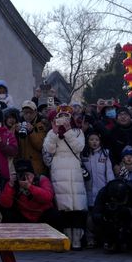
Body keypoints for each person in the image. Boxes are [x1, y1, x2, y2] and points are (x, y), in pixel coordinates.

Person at [42, 106, 87, 249]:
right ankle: (66, 238)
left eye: (66, 116)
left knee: (77, 204)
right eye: (60, 116)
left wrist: (68, 131)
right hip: (59, 168)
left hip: (74, 169)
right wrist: (55, 133)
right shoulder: (51, 132)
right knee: (64, 205)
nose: (63, 119)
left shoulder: (78, 132)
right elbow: (49, 149)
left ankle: (77, 239)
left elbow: (79, 148)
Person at [91, 179, 132, 256]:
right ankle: (111, 242)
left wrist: (128, 211)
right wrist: (104, 216)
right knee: (91, 222)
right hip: (113, 220)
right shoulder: (103, 192)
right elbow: (95, 213)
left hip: (131, 220)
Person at [81, 129, 114, 248]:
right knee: (89, 217)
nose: (94, 142)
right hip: (88, 191)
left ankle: (104, 239)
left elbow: (109, 173)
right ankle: (90, 239)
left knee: (103, 216)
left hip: (102, 191)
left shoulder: (105, 153)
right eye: (91, 140)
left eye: (96, 140)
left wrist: (110, 189)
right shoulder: (84, 154)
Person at [16, 101, 48, 176]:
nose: (28, 115)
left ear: (36, 112)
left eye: (31, 112)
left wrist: (31, 132)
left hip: (37, 169)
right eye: (25, 113)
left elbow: (41, 146)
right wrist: (16, 133)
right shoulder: (18, 125)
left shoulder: (41, 126)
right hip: (22, 167)